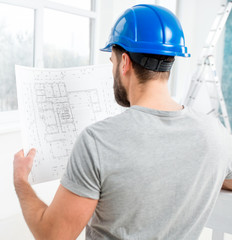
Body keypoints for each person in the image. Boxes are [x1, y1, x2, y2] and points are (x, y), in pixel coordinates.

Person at [13, 4, 232, 240]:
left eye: (112, 61)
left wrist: (20, 181)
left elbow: (52, 236)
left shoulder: (97, 141)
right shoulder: (215, 135)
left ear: (125, 62)